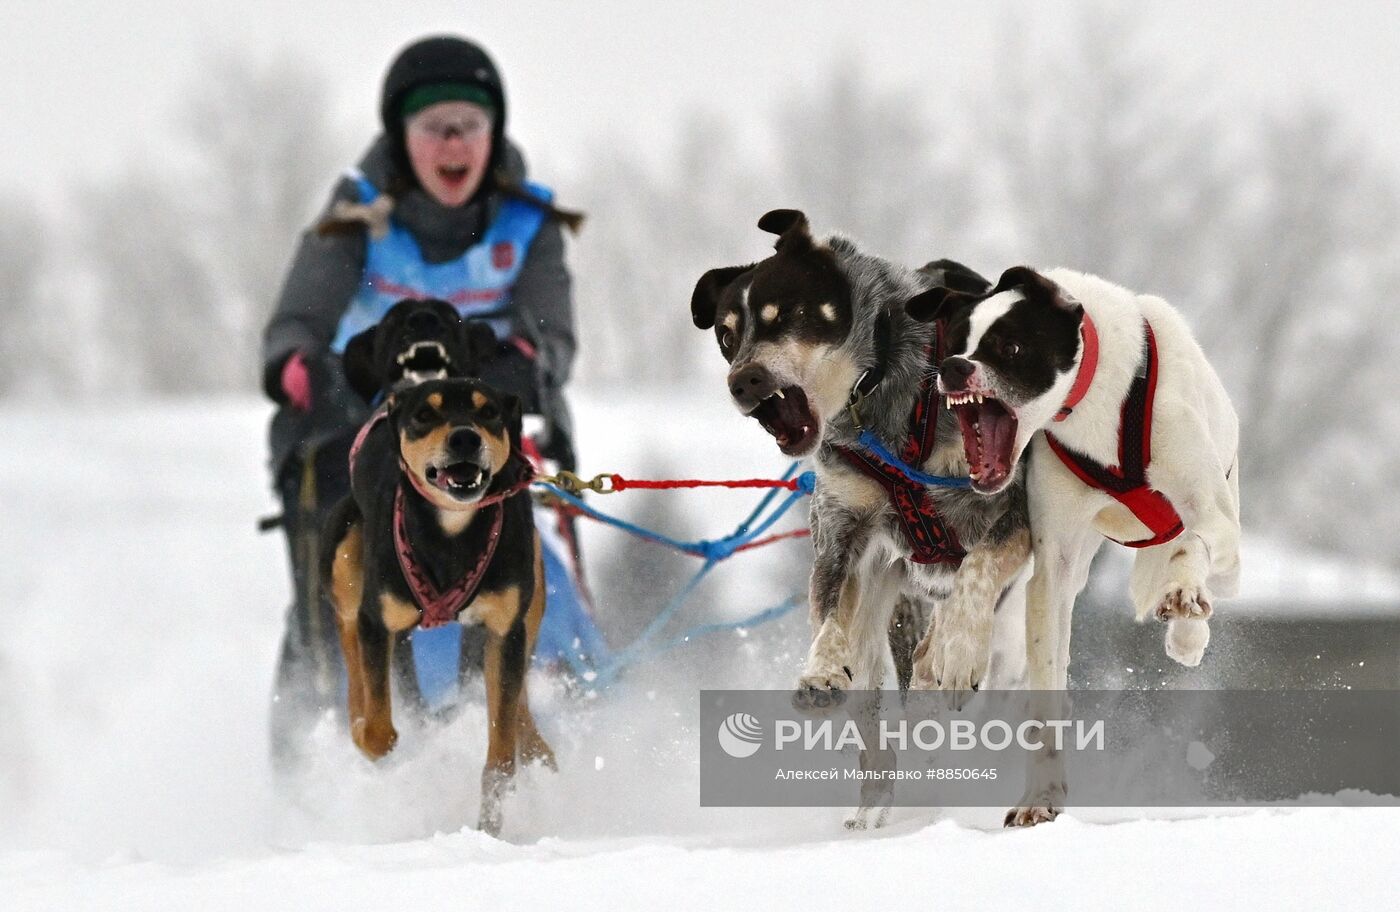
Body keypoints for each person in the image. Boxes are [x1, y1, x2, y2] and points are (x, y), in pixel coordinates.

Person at [260, 35, 594, 760]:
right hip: (362, 427)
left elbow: (550, 333)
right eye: (434, 127)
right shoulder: (357, 215)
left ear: (492, 135)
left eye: (469, 126)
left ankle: (570, 706)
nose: (453, 142)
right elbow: (299, 320)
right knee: (345, 573)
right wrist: (296, 366)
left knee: (535, 572)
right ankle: (331, 736)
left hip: (485, 425)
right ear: (402, 139)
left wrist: (524, 368)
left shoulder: (527, 221)